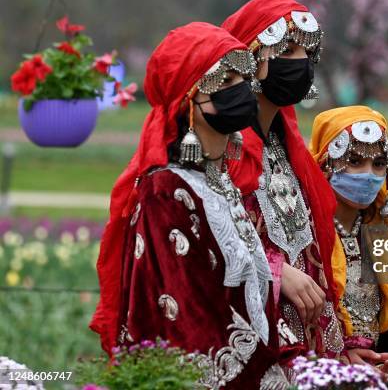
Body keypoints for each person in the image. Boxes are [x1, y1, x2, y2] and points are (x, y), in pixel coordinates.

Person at [90, 22, 290, 388]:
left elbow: (253, 298)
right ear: (189, 100)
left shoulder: (221, 182)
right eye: (224, 82)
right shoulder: (165, 192)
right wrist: (267, 378)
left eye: (242, 78)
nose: (241, 91)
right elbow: (189, 318)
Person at [221, 0, 345, 362]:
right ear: (251, 58)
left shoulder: (287, 148)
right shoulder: (221, 147)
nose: (301, 63)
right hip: (249, 345)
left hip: (305, 345)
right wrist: (274, 272)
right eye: (286, 50)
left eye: (308, 52)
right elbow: (205, 247)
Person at [310, 106, 388, 389]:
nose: (368, 175)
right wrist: (340, 359)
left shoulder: (382, 236)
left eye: (378, 164)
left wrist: (385, 366)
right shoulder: (305, 235)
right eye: (354, 161)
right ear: (325, 161)